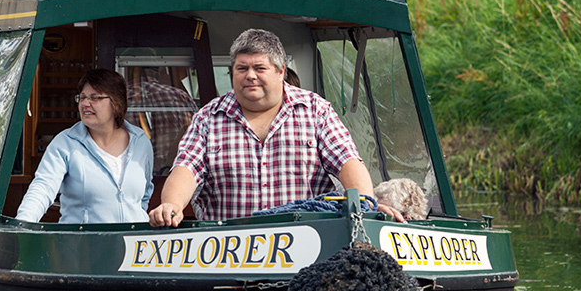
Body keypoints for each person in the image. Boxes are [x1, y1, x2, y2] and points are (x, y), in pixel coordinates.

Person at [148, 29, 405, 227]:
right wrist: (171, 205)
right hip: (229, 253)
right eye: (242, 68)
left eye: (260, 68)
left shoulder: (316, 111)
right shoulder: (207, 118)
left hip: (309, 244)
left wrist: (362, 204)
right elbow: (186, 169)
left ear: (281, 71)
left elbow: (348, 162)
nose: (250, 75)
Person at [16, 69, 154, 224]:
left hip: (131, 244)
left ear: (117, 102)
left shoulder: (141, 141)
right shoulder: (64, 143)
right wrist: (22, 224)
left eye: (94, 98)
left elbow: (144, 195)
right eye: (82, 98)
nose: (85, 104)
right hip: (82, 245)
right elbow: (42, 188)